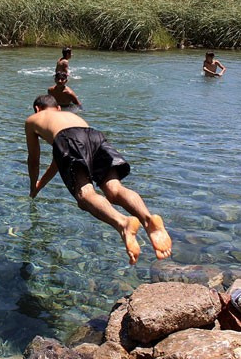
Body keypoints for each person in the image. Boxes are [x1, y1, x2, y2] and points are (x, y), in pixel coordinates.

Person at [25, 94, 172, 265]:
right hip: (94, 136)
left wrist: (32, 187)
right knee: (115, 189)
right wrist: (40, 185)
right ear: (58, 108)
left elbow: (34, 160)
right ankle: (148, 220)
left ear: (37, 109)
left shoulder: (33, 119)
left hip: (68, 139)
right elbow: (58, 161)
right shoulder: (72, 116)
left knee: (85, 195)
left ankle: (123, 223)